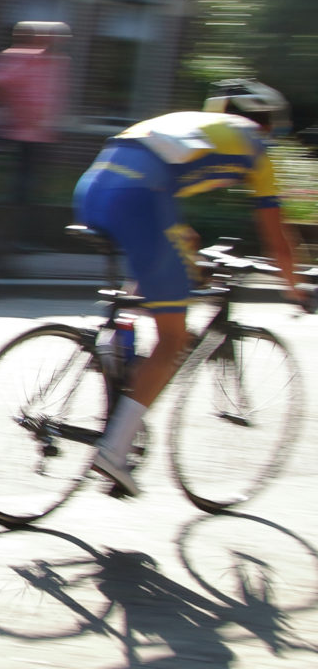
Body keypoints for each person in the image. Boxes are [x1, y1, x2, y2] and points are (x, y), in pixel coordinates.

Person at [73, 79, 311, 496]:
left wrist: (194, 257)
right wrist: (296, 287)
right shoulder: (255, 146)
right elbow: (277, 239)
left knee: (180, 253)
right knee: (174, 339)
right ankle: (113, 451)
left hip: (96, 183)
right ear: (265, 124)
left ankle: (116, 344)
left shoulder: (193, 126)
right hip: (141, 197)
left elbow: (171, 221)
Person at [0, 21, 70, 248]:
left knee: (31, 189)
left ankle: (20, 240)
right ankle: (5, 241)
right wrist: (10, 109)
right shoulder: (21, 57)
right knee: (18, 189)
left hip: (42, 136)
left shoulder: (56, 63)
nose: (54, 42)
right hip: (18, 135)